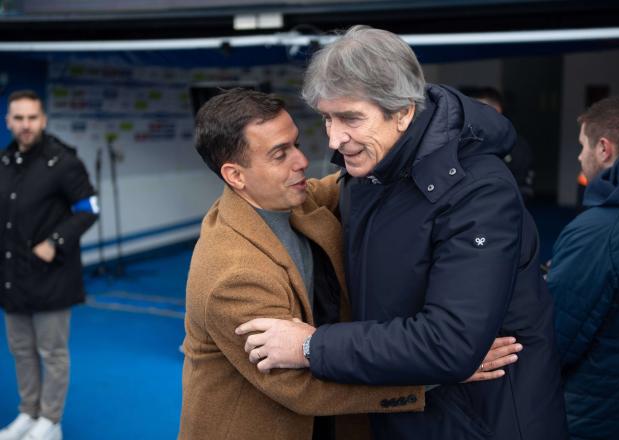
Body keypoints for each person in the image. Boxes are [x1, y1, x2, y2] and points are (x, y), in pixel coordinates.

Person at [236, 26, 567, 440]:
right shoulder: (369, 173)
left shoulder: (479, 191)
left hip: (481, 420)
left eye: (351, 118)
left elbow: (450, 344)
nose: (335, 139)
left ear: (403, 111)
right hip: (409, 407)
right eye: (327, 118)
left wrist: (311, 346)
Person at [179, 88, 521, 440]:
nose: (301, 161)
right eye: (280, 154)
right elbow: (301, 386)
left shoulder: (292, 199)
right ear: (236, 176)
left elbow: (359, 179)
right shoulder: (233, 275)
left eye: (295, 143)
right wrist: (437, 371)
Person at [546, 96, 619, 439]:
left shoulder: (600, 231)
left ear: (604, 149)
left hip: (599, 418)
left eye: (583, 145)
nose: (580, 155)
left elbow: (556, 340)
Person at [0, 90, 98, 440]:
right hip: (12, 278)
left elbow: (89, 210)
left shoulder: (64, 162)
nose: (25, 125)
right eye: (18, 118)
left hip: (52, 277)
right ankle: (28, 412)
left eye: (32, 118)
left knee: (52, 352)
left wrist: (54, 242)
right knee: (21, 351)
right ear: (9, 121)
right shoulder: (5, 162)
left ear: (42, 120)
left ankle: (50, 420)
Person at [463, 86, 535, 201]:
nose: (472, 117)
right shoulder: (466, 142)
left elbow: (523, 189)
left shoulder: (517, 146)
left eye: (478, 111)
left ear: (496, 111)